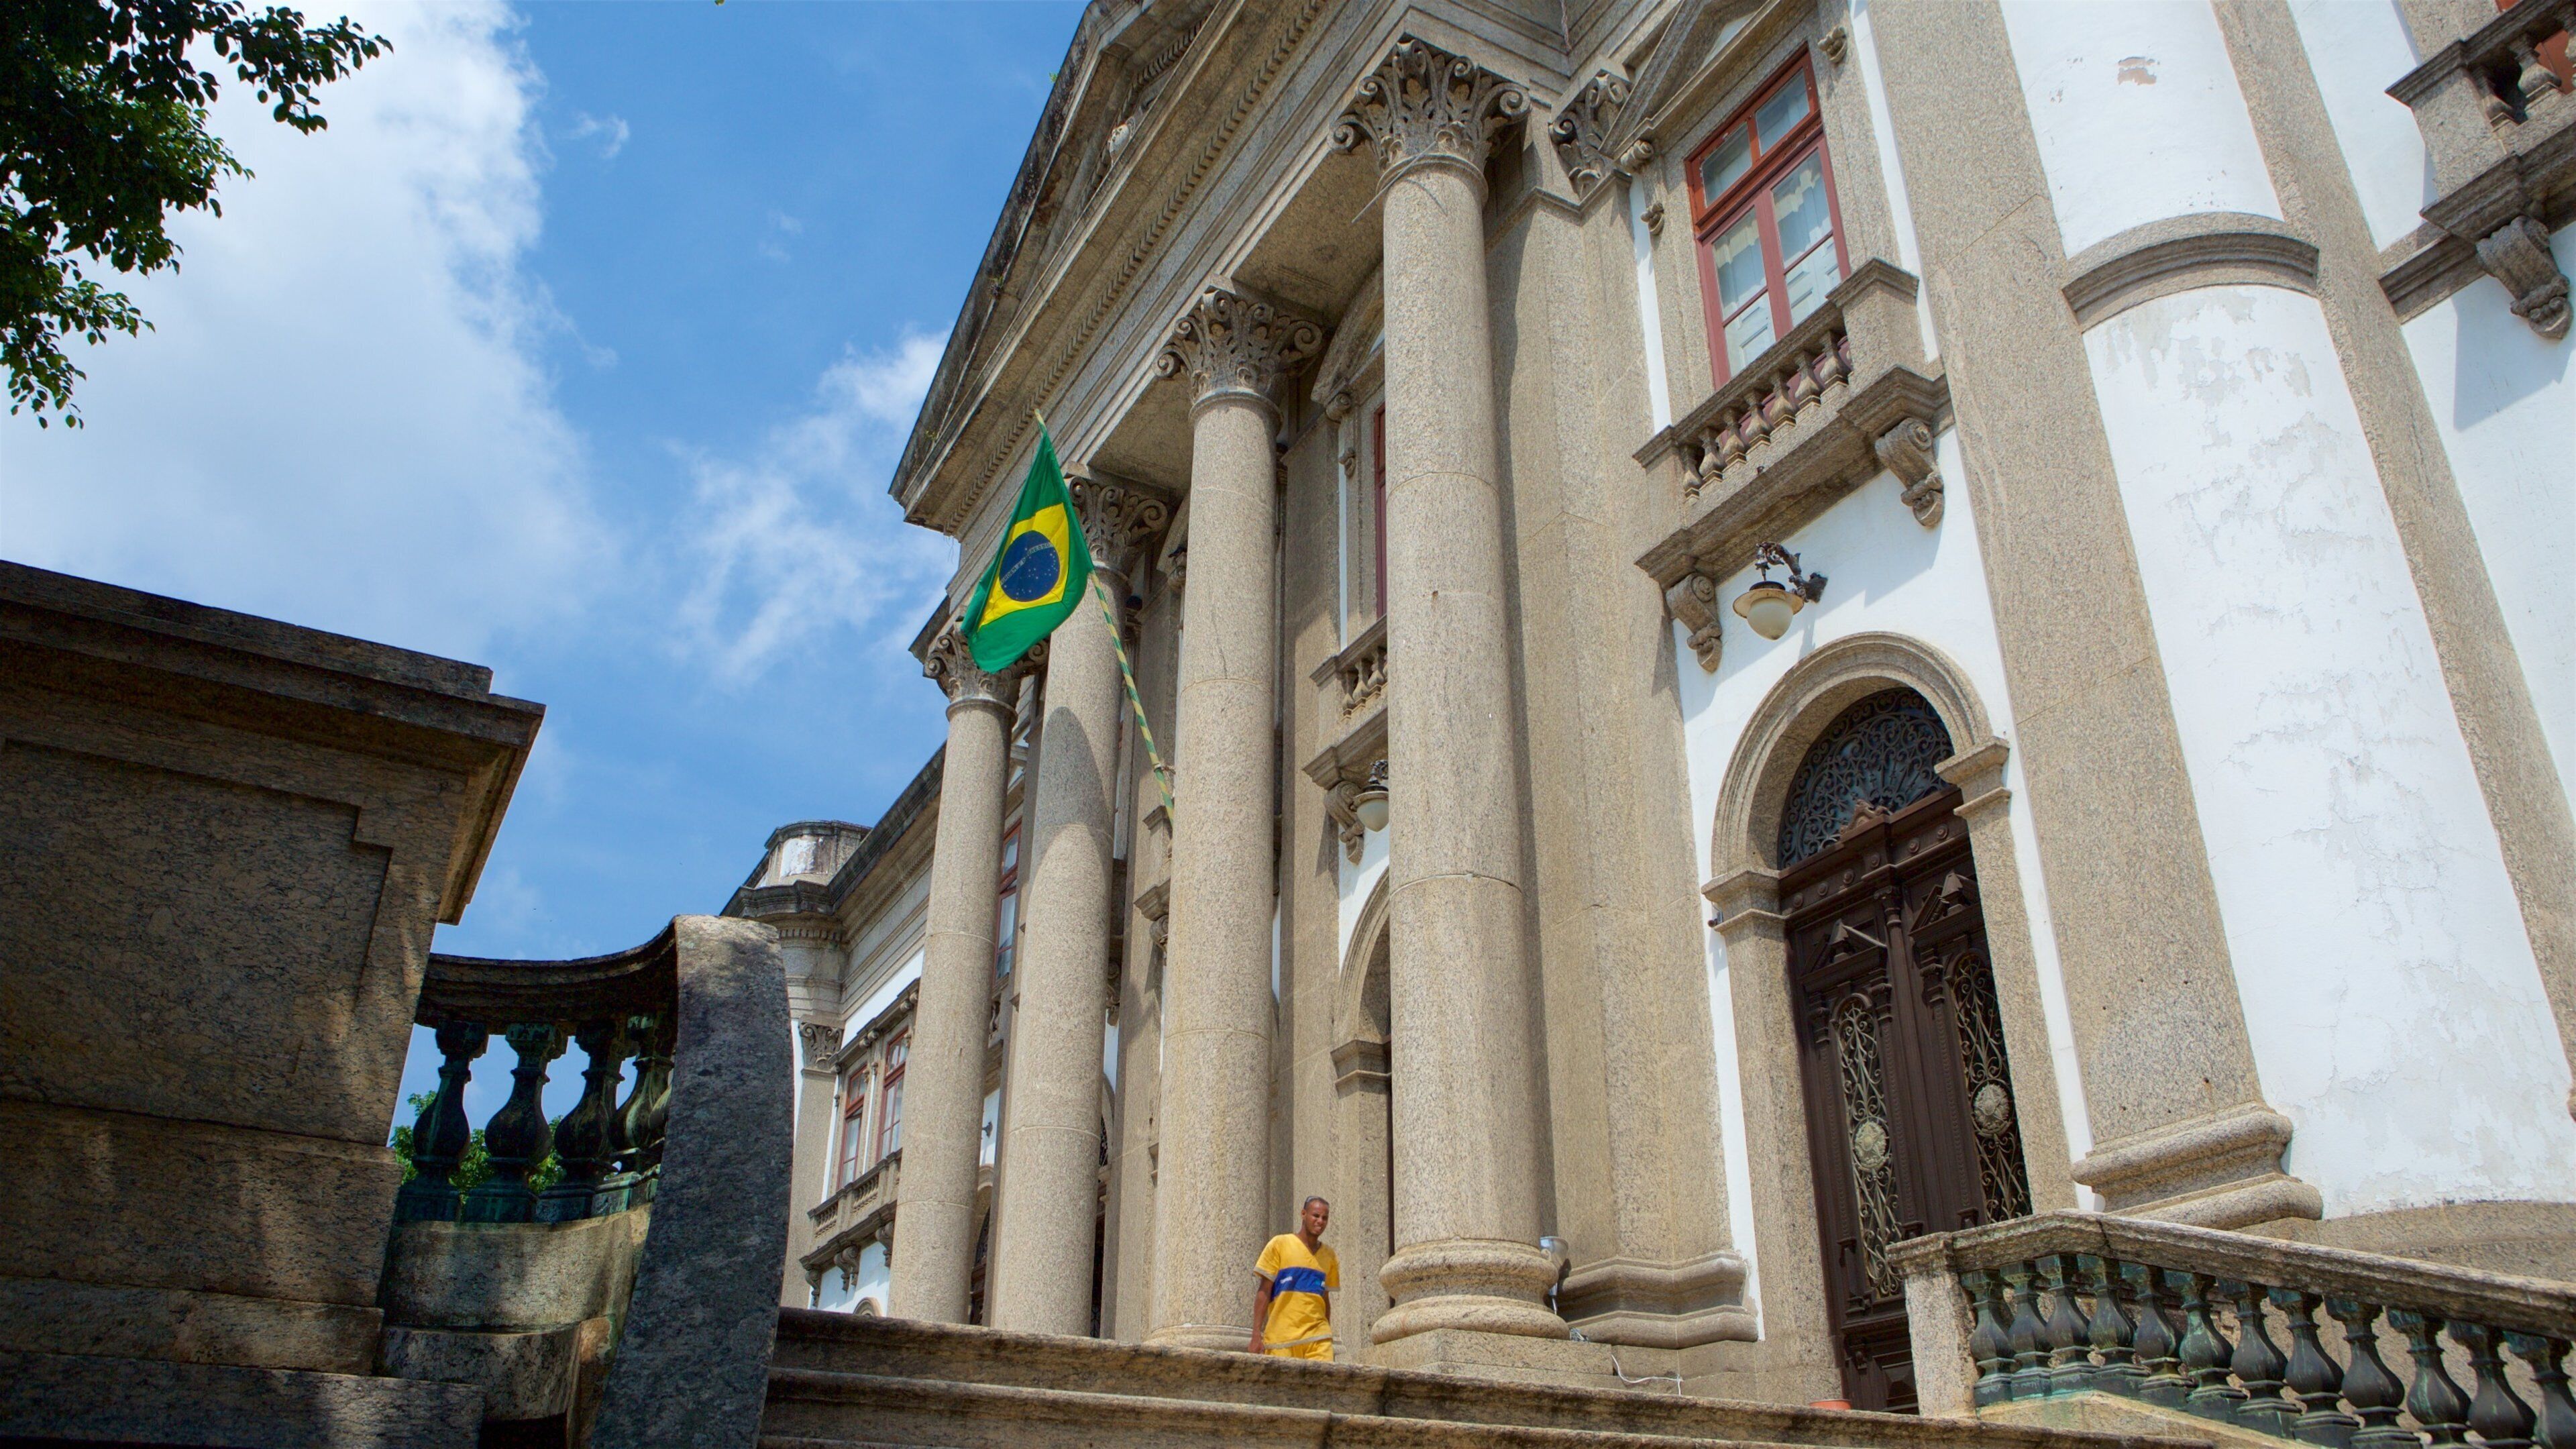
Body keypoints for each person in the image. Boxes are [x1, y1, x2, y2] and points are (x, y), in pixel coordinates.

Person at [1248, 1196, 1338, 1360]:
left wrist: (1329, 1332)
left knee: (1323, 1384)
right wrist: (1256, 1334)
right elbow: (1264, 1291)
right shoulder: (1280, 1244)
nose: (1320, 1221)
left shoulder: (1329, 1256)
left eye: (1325, 1218)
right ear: (1303, 1214)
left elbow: (1325, 1299)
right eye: (1316, 1216)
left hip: (1318, 1336)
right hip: (1282, 1338)